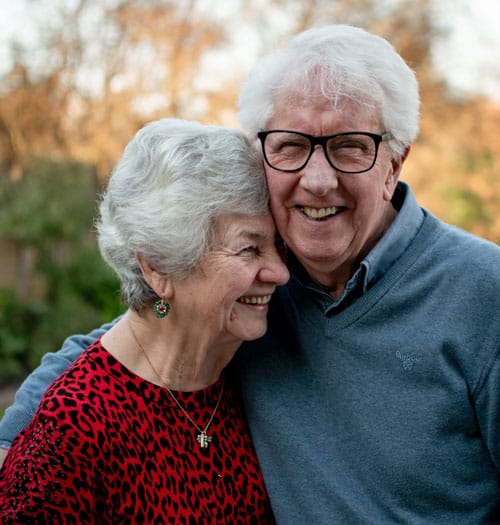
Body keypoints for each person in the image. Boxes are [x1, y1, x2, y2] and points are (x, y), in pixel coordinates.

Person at [1, 24, 500, 523]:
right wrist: (18, 448)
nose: (318, 180)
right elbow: (133, 339)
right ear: (265, 152)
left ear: (395, 161)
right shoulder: (265, 282)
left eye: (351, 146)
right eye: (291, 145)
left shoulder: (483, 293)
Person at [0, 118, 289, 523]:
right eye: (248, 249)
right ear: (157, 268)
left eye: (277, 246)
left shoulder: (242, 372)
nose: (280, 272)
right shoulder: (76, 426)